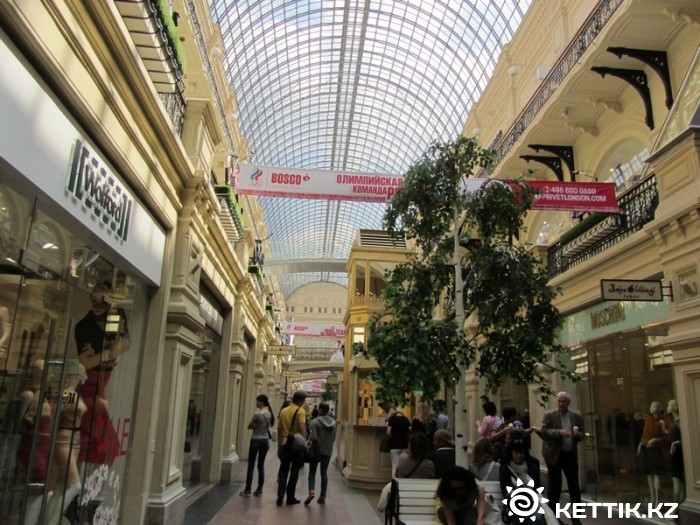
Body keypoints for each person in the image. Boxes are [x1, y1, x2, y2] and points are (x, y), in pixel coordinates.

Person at [75, 285, 130, 465]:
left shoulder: (114, 317)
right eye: (94, 300)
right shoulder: (84, 326)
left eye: (102, 301)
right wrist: (108, 354)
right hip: (89, 388)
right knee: (99, 443)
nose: (97, 305)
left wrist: (104, 355)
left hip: (101, 387)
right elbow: (87, 362)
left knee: (100, 444)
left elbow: (123, 344)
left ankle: (83, 477)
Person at [533, 391, 584, 522]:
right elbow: (544, 431)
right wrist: (559, 433)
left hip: (570, 454)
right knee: (555, 486)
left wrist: (579, 435)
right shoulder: (550, 415)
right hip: (554, 455)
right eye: (559, 401)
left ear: (568, 403)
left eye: (564, 402)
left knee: (574, 486)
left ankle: (576, 517)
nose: (561, 404)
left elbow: (582, 432)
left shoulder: (576, 416)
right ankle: (553, 517)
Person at [46, 365, 87, 523]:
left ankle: (47, 520)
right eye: (80, 374)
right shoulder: (67, 394)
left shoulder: (75, 393)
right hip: (63, 439)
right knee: (75, 485)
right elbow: (54, 415)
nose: (82, 377)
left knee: (60, 487)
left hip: (75, 440)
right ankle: (52, 522)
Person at [16, 359, 54, 525]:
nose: (46, 372)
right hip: (33, 445)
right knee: (41, 487)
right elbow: (17, 423)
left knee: (42, 488)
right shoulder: (28, 395)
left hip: (44, 446)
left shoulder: (46, 396)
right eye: (40, 369)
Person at [500, 434, 550, 525]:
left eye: (521, 453)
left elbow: (539, 488)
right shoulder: (505, 469)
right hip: (515, 504)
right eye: (516, 453)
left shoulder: (532, 467)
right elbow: (506, 492)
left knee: (538, 518)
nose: (519, 456)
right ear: (511, 453)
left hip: (533, 502)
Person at [276, 391, 307, 506]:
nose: (303, 403)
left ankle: (280, 494)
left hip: (285, 444)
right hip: (296, 445)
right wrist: (304, 443)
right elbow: (302, 427)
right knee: (294, 472)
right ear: (299, 400)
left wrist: (280, 446)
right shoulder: (300, 411)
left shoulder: (284, 411)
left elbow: (279, 430)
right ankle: (290, 497)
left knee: (283, 470)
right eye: (303, 401)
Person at [241, 394, 274, 497]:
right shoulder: (270, 414)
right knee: (261, 465)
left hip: (255, 439)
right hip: (265, 440)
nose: (256, 403)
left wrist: (255, 425)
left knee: (251, 465)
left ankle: (248, 489)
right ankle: (259, 489)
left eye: (257, 401)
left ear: (262, 402)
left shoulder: (257, 414)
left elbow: (249, 426)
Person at [304, 402, 336, 505]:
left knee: (312, 472)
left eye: (319, 408)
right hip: (328, 450)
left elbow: (313, 437)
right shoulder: (333, 423)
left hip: (316, 450)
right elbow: (333, 437)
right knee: (324, 473)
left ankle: (311, 492)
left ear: (321, 410)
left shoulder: (315, 421)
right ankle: (322, 496)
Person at [638, 400, 667, 506]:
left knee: (656, 475)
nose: (652, 408)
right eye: (651, 406)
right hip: (646, 448)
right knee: (649, 474)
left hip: (656, 450)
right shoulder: (648, 420)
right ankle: (653, 498)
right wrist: (640, 444)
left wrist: (656, 440)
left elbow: (667, 436)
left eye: (654, 406)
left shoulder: (662, 421)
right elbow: (644, 434)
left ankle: (658, 500)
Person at [666, 399, 684, 504]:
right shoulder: (674, 422)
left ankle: (676, 505)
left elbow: (684, 437)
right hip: (674, 453)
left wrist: (674, 443)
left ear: (675, 407)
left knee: (677, 478)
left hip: (678, 452)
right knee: (678, 479)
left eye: (670, 405)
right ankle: (680, 502)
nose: (668, 407)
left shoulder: (679, 422)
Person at [386, 409, 411, 478]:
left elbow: (388, 432)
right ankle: (402, 480)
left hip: (394, 445)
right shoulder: (406, 419)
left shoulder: (392, 419)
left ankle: (394, 481)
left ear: (395, 413)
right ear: (401, 413)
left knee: (394, 465)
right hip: (404, 445)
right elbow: (410, 429)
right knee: (403, 465)